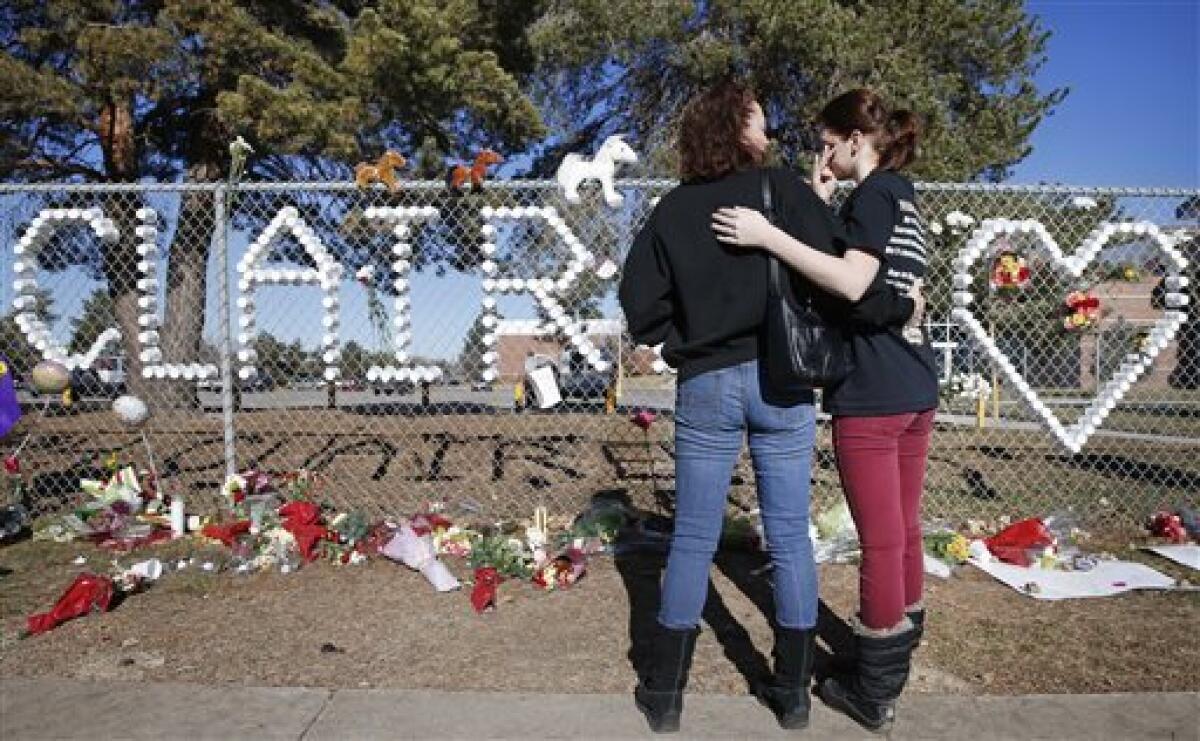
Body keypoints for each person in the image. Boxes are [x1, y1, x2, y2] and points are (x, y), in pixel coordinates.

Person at [619, 79, 914, 734]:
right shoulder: (781, 189)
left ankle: (664, 694)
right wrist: (819, 206)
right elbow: (841, 275)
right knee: (788, 534)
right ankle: (793, 694)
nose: (770, 130)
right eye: (758, 118)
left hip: (705, 381)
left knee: (693, 535)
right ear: (733, 127)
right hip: (785, 380)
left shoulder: (672, 210)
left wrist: (680, 340)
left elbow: (639, 304)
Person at [712, 88, 936, 733]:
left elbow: (850, 282)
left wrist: (769, 235)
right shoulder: (899, 194)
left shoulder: (874, 195)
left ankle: (873, 688)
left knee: (883, 539)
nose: (819, 152)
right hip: (914, 383)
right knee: (906, 529)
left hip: (872, 389)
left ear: (852, 139)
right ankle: (898, 656)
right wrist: (823, 204)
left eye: (823, 141)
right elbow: (887, 282)